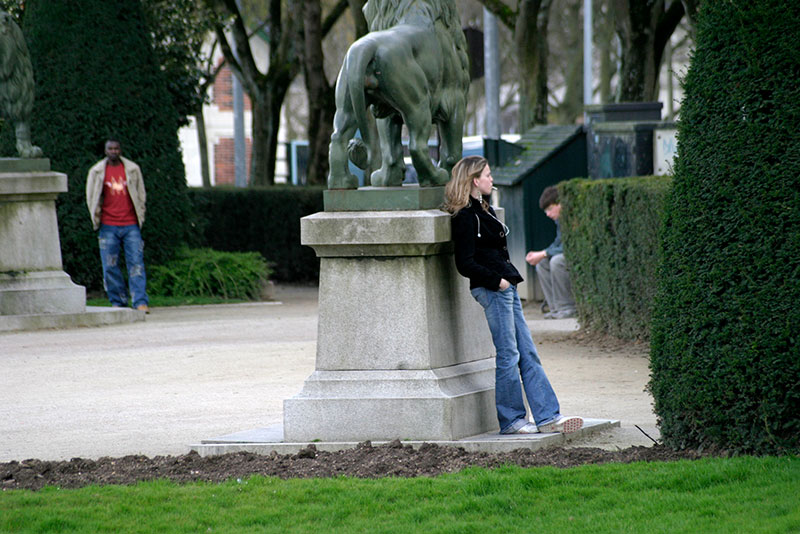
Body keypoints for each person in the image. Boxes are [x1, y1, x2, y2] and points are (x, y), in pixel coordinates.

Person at [444, 156, 582, 435]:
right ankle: (511, 420)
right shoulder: (464, 217)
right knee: (508, 355)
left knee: (527, 352)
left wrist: (507, 282)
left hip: (507, 286)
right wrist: (499, 282)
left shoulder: (486, 209)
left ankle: (547, 416)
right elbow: (464, 263)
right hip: (493, 290)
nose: (492, 179)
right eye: (488, 175)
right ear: (474, 180)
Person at [86, 139, 149, 313]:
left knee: (136, 264)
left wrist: (140, 215)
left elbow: (141, 194)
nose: (113, 151)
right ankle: (118, 302)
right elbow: (91, 196)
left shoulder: (133, 169)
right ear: (105, 151)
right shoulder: (97, 171)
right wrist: (96, 218)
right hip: (108, 225)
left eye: (116, 148)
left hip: (131, 225)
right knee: (109, 266)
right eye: (110, 149)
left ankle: (140, 301)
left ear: (120, 150)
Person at [525, 185, 577, 319]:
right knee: (542, 263)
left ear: (560, 204)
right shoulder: (560, 220)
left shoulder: (574, 216)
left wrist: (543, 253)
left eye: (549, 209)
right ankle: (556, 309)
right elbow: (559, 242)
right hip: (568, 255)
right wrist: (542, 254)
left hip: (579, 256)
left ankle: (568, 308)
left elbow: (570, 246)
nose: (547, 214)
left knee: (557, 261)